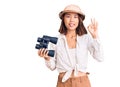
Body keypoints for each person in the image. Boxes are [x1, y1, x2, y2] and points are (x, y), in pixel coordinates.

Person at [38, 4, 103, 87]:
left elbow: (100, 58)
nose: (72, 20)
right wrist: (47, 58)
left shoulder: (85, 38)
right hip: (63, 83)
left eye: (75, 17)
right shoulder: (56, 40)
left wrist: (95, 36)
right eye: (68, 16)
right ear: (63, 19)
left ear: (79, 20)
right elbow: (52, 67)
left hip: (82, 82)